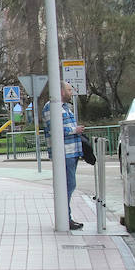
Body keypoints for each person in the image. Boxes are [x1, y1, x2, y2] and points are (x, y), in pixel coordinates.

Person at [43, 81, 86, 230]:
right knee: (68, 185)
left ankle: (66, 217)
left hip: (71, 152)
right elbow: (55, 129)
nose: (71, 92)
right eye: (68, 89)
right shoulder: (51, 107)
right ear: (61, 91)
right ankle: (65, 217)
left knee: (69, 184)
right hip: (64, 153)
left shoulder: (65, 108)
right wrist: (75, 130)